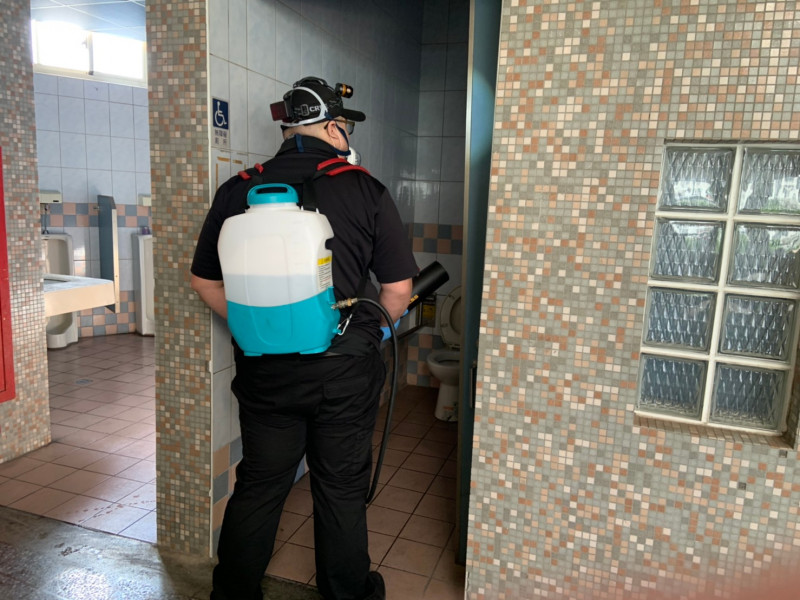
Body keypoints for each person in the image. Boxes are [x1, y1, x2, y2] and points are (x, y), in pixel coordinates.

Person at [190, 76, 418, 600]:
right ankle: (347, 594)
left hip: (264, 370)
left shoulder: (237, 189)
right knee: (339, 487)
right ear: (334, 127)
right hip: (344, 370)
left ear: (288, 128)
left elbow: (204, 282)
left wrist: (256, 327)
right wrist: (365, 335)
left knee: (261, 482)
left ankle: (233, 593)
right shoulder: (364, 188)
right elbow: (399, 290)